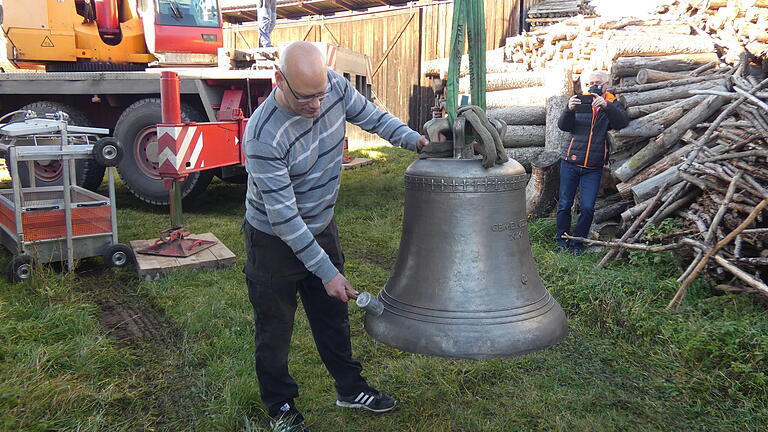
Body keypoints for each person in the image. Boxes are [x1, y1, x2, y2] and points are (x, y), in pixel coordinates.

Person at [242, 41, 428, 432]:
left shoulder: (334, 87)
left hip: (321, 223)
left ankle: (350, 388)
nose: (315, 106)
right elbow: (284, 218)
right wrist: (326, 271)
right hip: (272, 240)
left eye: (320, 95)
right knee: (274, 328)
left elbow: (373, 118)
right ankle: (280, 406)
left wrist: (417, 142)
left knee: (333, 316)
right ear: (279, 81)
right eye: (305, 98)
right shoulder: (262, 136)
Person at [555, 70, 629, 255]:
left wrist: (606, 106)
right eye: (590, 83)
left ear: (606, 85)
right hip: (570, 161)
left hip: (593, 167)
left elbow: (621, 123)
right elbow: (564, 126)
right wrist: (568, 109)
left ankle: (577, 242)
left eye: (598, 82)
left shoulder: (613, 103)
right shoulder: (580, 100)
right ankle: (562, 240)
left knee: (588, 207)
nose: (594, 86)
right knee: (565, 204)